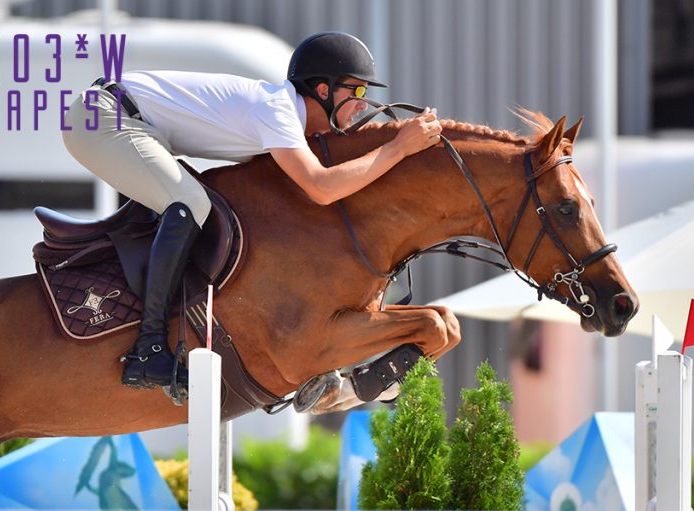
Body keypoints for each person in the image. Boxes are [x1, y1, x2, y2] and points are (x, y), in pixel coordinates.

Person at [62, 31, 442, 391]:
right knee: (190, 205)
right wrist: (398, 148)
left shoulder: (288, 121)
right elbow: (323, 188)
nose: (363, 102)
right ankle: (149, 350)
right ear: (323, 89)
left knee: (198, 202)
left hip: (130, 122)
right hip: (102, 118)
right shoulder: (277, 111)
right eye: (356, 89)